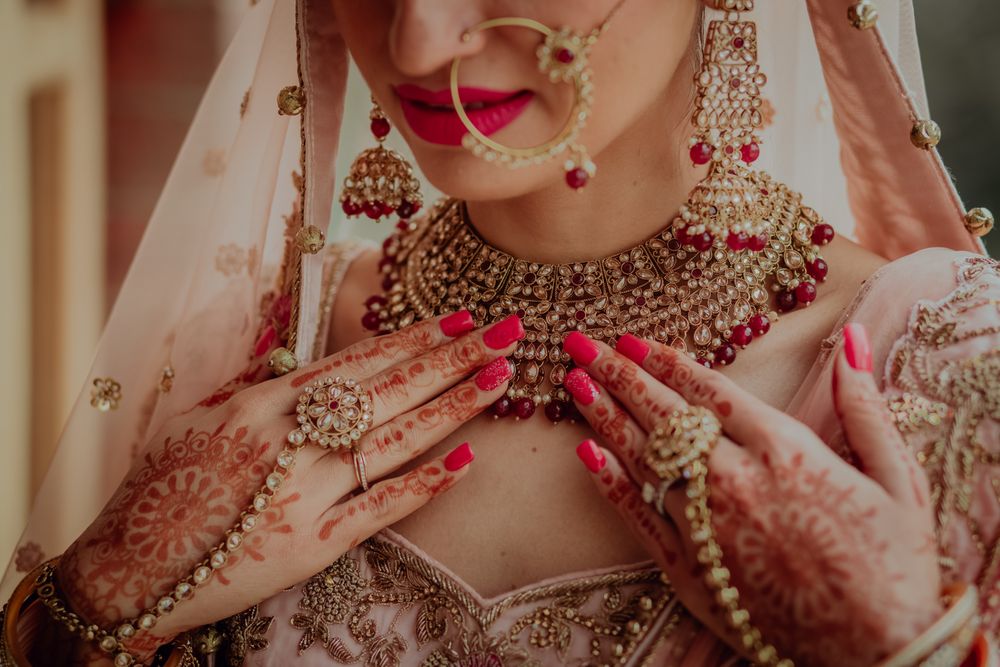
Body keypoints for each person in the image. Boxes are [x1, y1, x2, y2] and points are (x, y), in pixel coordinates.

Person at [2, 0, 997, 665]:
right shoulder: (261, 341)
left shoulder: (951, 370)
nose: (417, 43)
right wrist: (85, 608)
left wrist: (912, 643)